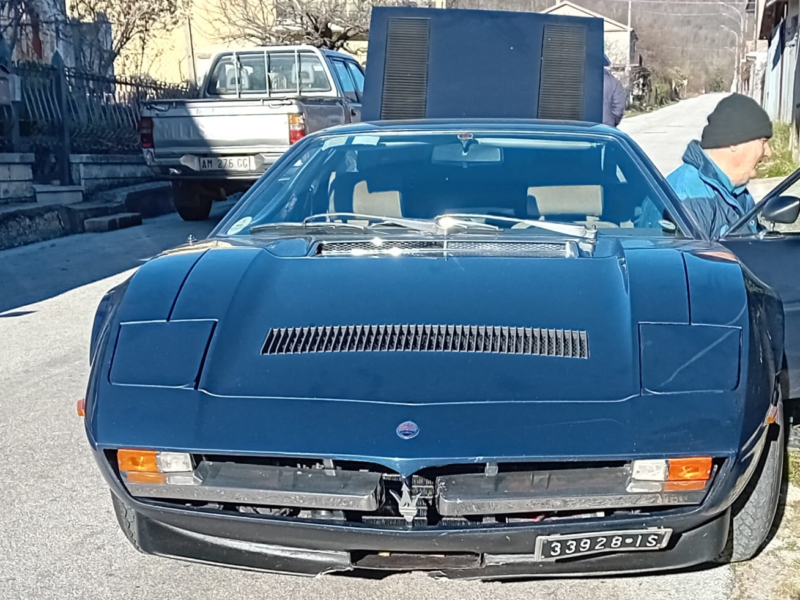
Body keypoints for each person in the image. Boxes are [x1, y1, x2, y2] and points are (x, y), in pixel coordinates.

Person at [663, 93, 773, 238]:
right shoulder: (690, 195)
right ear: (734, 143)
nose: (768, 152)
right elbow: (692, 258)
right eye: (763, 142)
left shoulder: (738, 193)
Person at [603, 54, 626, 128]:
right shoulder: (613, 82)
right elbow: (619, 107)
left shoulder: (578, 81)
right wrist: (613, 121)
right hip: (606, 127)